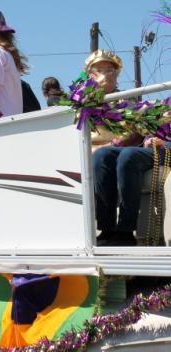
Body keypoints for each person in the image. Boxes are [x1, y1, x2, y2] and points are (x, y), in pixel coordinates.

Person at [88, 50, 147, 246]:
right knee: (100, 158)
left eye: (110, 69)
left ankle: (124, 230)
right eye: (99, 70)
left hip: (115, 149)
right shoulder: (83, 105)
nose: (106, 74)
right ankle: (106, 228)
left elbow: (133, 132)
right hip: (87, 153)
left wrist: (108, 145)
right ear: (90, 75)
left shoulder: (125, 102)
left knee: (107, 156)